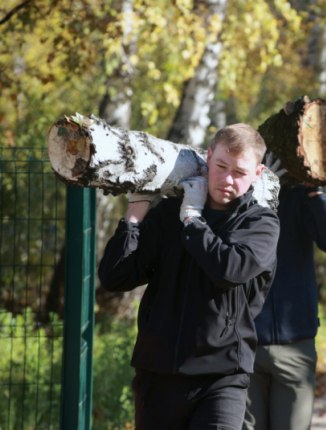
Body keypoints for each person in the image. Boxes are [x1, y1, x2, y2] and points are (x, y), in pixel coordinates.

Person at [98, 123, 280, 429]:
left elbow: (230, 269)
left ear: (258, 174)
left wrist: (193, 220)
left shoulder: (260, 224)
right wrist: (134, 215)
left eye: (239, 172)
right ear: (207, 158)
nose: (227, 179)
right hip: (157, 373)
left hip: (221, 377)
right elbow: (116, 277)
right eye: (221, 166)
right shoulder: (171, 214)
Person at [243, 161, 326, 430]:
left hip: (294, 345)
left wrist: (317, 194)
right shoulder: (233, 197)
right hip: (242, 344)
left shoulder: (300, 197)